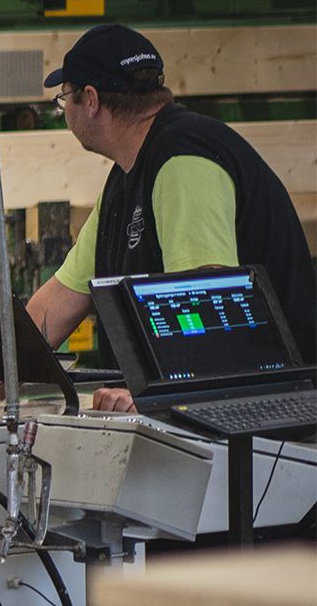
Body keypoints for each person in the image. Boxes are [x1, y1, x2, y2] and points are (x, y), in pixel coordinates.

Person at [24, 23, 315, 412]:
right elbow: (56, 304)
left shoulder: (183, 161)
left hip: (273, 431)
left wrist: (156, 395)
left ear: (90, 100)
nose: (65, 113)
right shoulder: (124, 182)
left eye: (65, 100)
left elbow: (211, 309)